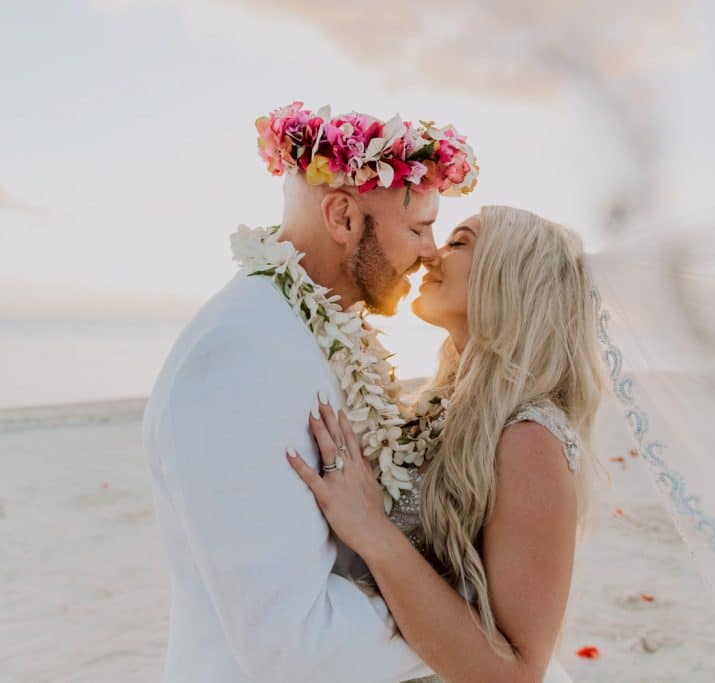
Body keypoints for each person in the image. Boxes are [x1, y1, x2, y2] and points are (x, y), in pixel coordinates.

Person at [142, 102, 477, 682]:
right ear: (343, 216)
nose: (430, 252)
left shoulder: (314, 329)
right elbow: (293, 648)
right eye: (419, 227)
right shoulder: (239, 356)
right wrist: (475, 616)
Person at [287, 207, 605, 683]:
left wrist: (372, 529)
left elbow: (518, 674)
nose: (432, 253)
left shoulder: (530, 438)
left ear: (511, 275)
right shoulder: (445, 404)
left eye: (459, 242)